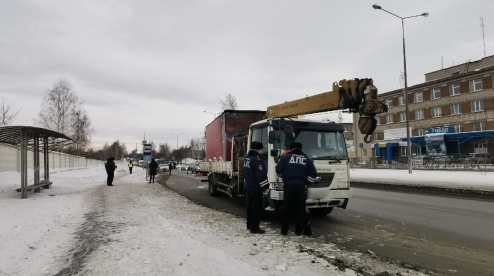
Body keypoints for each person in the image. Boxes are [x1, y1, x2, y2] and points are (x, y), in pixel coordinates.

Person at [275, 142, 317, 236]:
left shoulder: (285, 157)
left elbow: (278, 170)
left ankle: (284, 231)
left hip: (289, 186)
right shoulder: (307, 159)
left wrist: (285, 176)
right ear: (300, 148)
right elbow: (313, 174)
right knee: (299, 209)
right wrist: (306, 183)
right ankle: (298, 231)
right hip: (301, 186)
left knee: (287, 208)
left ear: (291, 149)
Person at [243, 141, 269, 234]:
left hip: (249, 186)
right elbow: (260, 175)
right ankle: (255, 228)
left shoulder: (247, 158)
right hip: (256, 187)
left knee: (249, 206)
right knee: (256, 208)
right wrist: (266, 186)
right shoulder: (257, 160)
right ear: (259, 149)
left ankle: (249, 224)